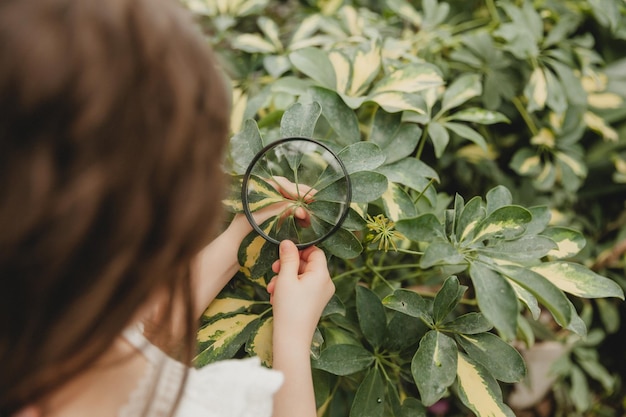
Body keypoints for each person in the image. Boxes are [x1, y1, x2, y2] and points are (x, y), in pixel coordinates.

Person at [0, 0, 335, 416]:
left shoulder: (42, 326)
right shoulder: (205, 407)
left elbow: (139, 337)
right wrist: (292, 340)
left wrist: (240, 235)